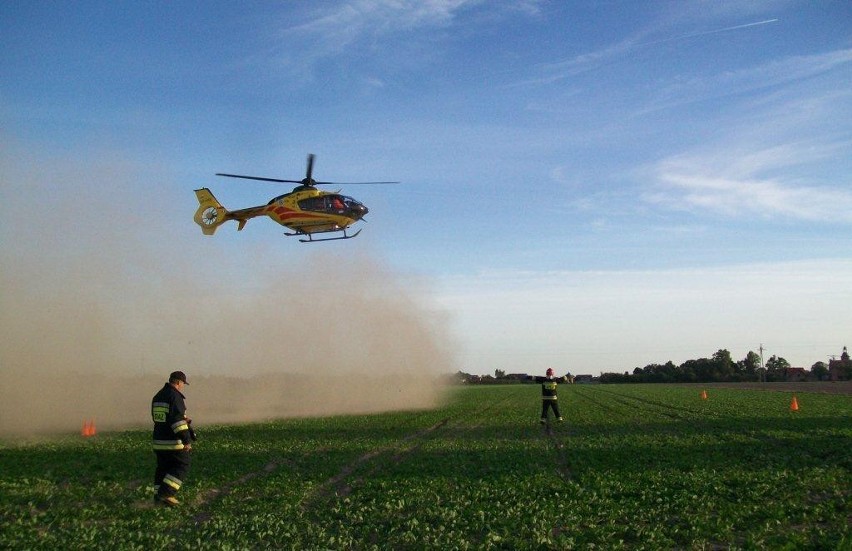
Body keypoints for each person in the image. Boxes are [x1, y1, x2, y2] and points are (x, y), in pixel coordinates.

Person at [151, 370, 196, 506]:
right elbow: (177, 422)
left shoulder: (158, 396)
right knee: (182, 465)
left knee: (163, 469)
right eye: (183, 383)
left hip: (159, 441)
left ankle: (158, 499)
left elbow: (159, 418)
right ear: (178, 382)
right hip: (172, 442)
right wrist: (186, 440)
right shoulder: (175, 397)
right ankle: (166, 494)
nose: (182, 386)